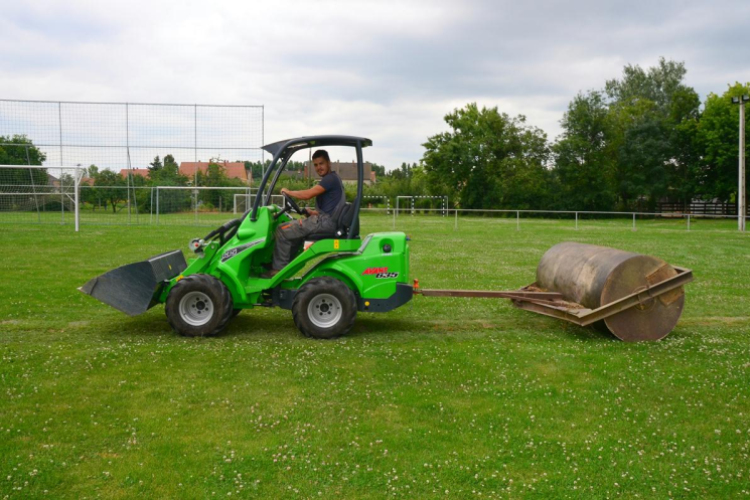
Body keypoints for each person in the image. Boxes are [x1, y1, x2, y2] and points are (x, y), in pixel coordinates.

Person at [263, 149, 345, 277]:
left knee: (282, 230)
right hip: (327, 221)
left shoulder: (330, 179)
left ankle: (278, 270)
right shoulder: (333, 179)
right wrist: (311, 213)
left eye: (321, 163)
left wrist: (288, 192)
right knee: (294, 233)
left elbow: (308, 194)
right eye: (316, 165)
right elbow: (329, 210)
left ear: (329, 163)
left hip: (326, 223)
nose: (319, 167)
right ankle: (283, 266)